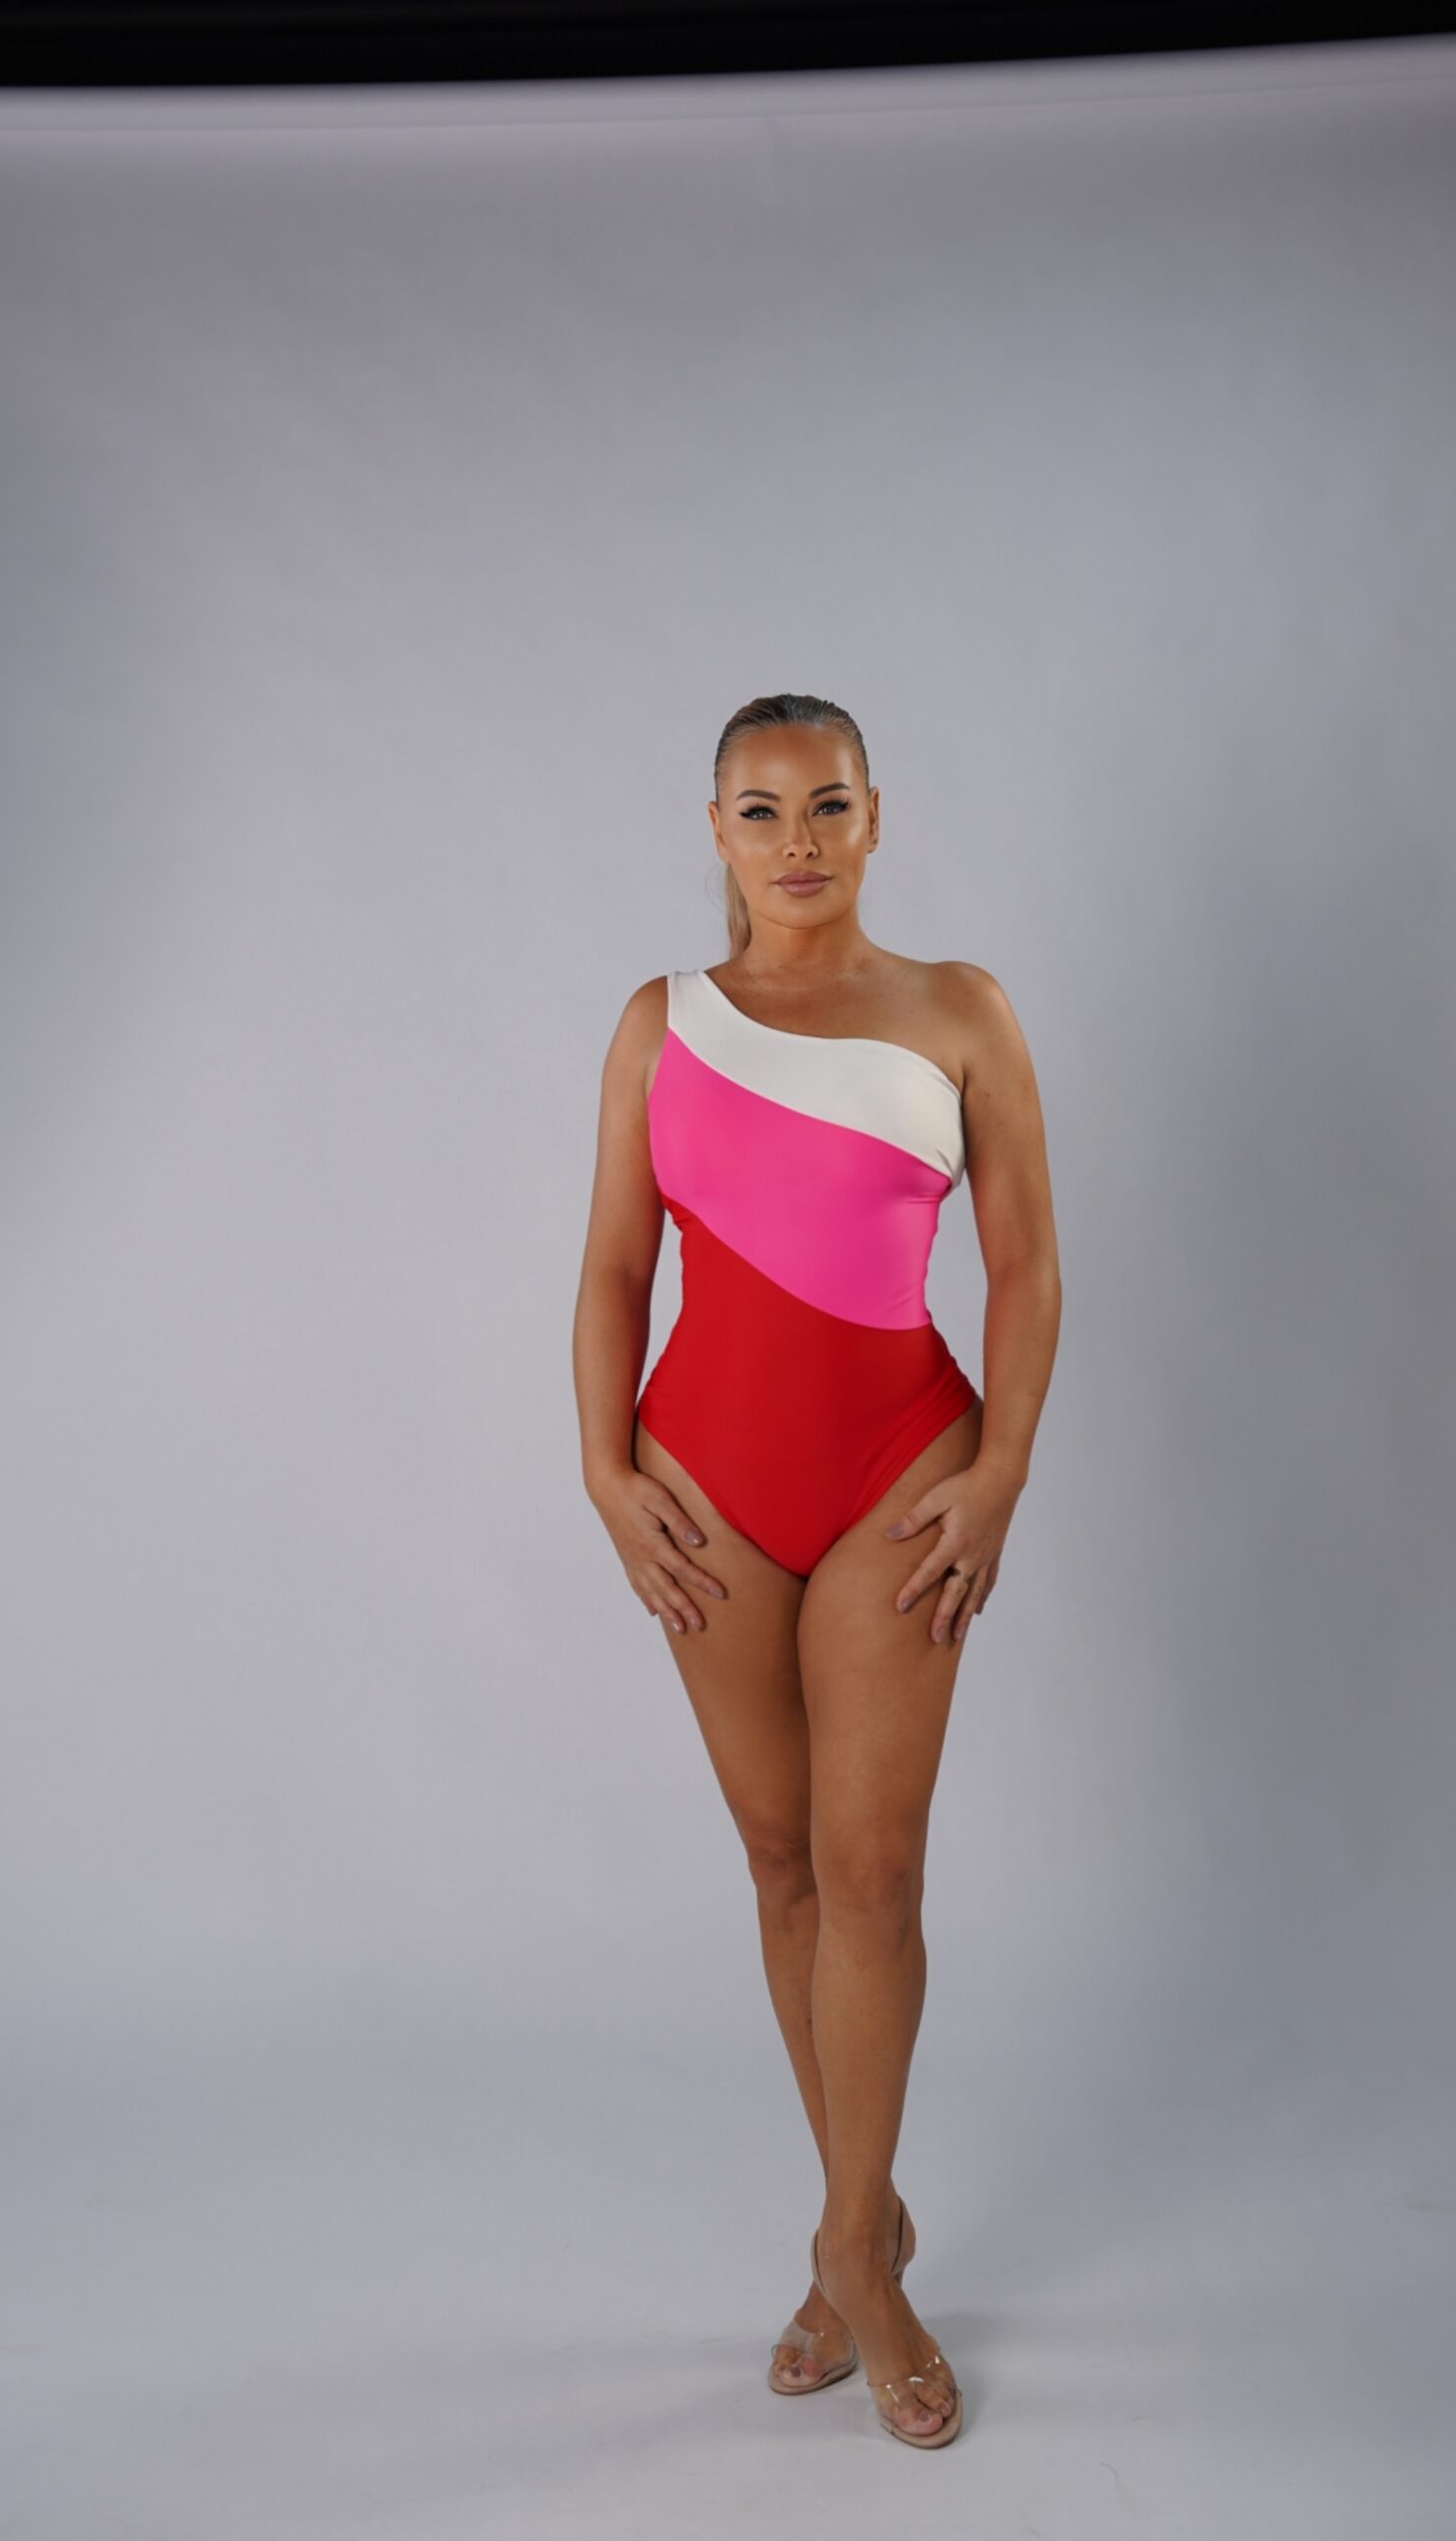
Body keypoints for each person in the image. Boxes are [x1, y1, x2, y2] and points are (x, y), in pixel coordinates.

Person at [573, 691, 1061, 2448]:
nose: (798, 841)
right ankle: (870, 2213)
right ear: (717, 828)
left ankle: (852, 2251)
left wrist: (1001, 1470)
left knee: (872, 1866)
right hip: (706, 1482)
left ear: (874, 817)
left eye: (828, 804)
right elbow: (615, 1267)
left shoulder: (959, 1011)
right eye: (763, 810)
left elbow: (1024, 1263)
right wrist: (605, 1470)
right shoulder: (662, 1023)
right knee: (780, 1860)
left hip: (900, 1473)